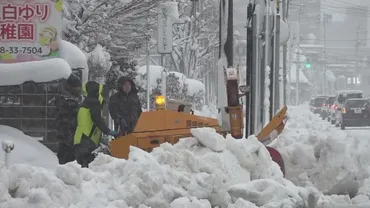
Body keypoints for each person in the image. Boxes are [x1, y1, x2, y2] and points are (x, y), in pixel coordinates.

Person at [73, 81, 119, 168]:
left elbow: (90, 123)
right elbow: (97, 120)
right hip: (86, 141)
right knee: (87, 169)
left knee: (83, 170)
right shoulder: (93, 103)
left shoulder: (87, 103)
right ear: (98, 93)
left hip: (81, 140)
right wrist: (108, 131)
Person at [55, 74, 82, 164]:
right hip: (66, 135)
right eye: (76, 87)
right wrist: (68, 137)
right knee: (66, 160)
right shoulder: (65, 100)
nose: (78, 89)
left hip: (71, 134)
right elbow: (63, 120)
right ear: (70, 87)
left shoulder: (74, 98)